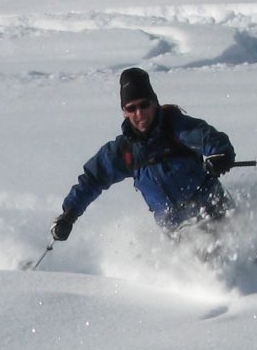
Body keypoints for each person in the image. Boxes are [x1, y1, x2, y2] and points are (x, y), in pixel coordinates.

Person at [49, 68, 236, 244]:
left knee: (242, 259)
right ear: (124, 112)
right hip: (177, 231)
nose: (139, 114)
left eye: (144, 105)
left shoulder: (175, 128)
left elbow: (207, 137)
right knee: (200, 270)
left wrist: (220, 155)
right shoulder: (125, 151)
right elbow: (92, 179)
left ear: (154, 103)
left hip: (214, 212)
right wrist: (69, 215)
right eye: (131, 108)